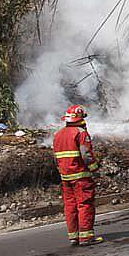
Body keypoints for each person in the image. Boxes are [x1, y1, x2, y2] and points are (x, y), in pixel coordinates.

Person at [53, 105, 103, 246]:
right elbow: (86, 155)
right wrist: (95, 170)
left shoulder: (58, 134)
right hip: (80, 176)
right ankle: (86, 237)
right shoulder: (80, 133)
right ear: (80, 118)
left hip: (65, 177)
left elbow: (56, 159)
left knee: (70, 206)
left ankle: (74, 236)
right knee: (84, 204)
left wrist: (63, 171)